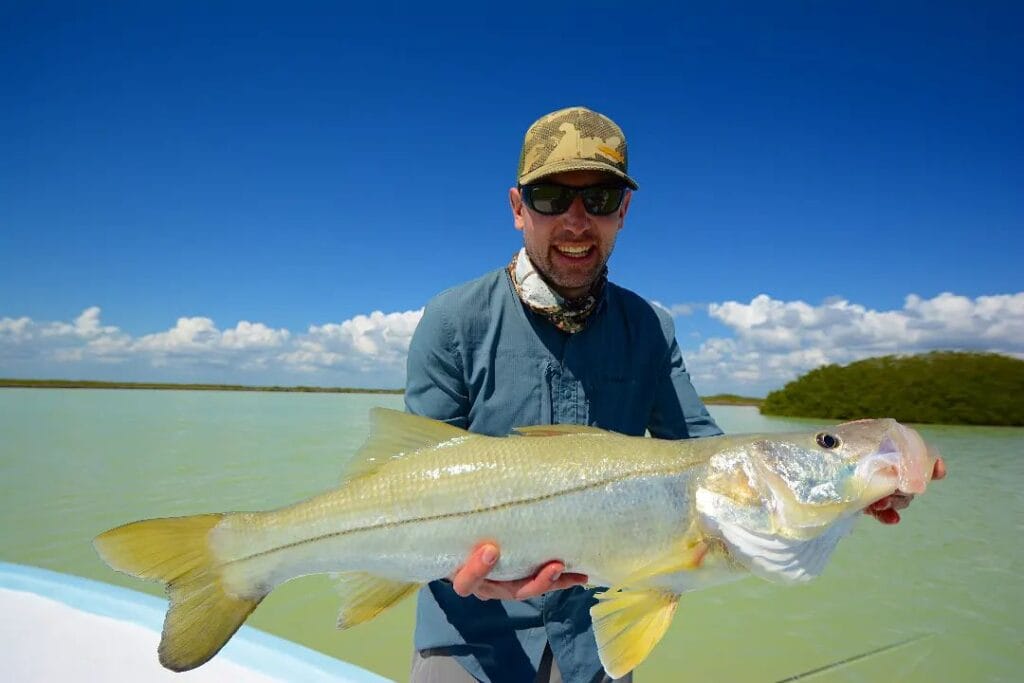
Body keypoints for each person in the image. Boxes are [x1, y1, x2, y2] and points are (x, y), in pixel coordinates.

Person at [404, 106, 945, 683]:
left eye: (602, 199)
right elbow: (410, 477)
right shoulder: (452, 321)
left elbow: (702, 454)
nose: (576, 221)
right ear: (518, 208)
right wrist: (458, 568)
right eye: (552, 197)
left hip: (599, 632)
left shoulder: (651, 329)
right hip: (468, 632)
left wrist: (847, 487)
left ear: (624, 211)